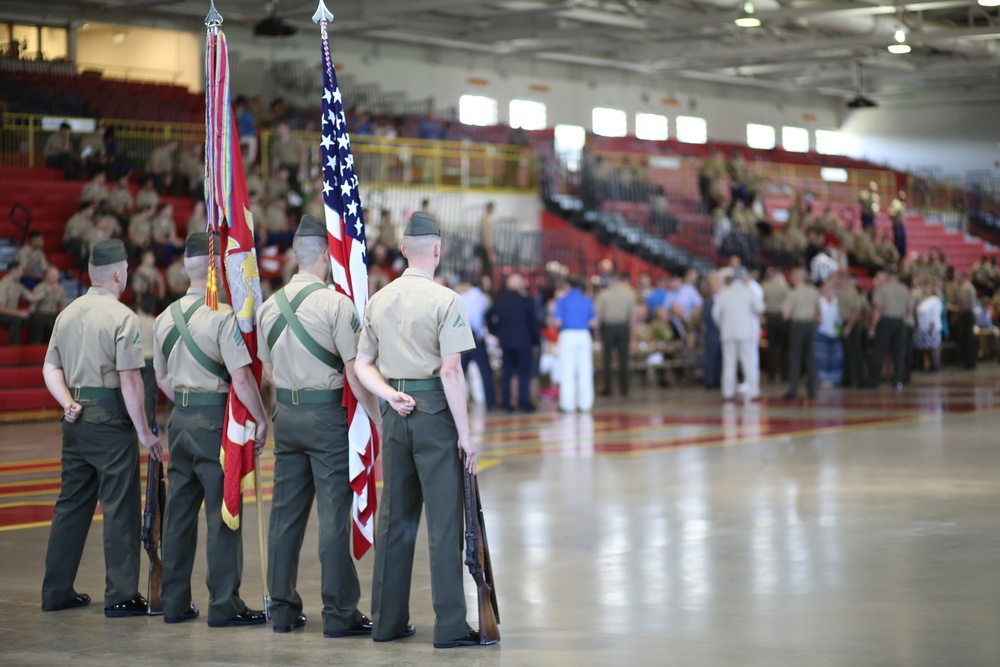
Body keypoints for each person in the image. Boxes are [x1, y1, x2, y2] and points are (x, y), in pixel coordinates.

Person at [353, 211, 486, 649]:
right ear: (437, 249)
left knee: (395, 519)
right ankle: (449, 626)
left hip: (396, 412)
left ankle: (386, 623)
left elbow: (361, 365)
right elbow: (451, 372)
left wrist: (387, 397)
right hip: (433, 414)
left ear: (404, 249)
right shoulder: (447, 300)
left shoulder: (378, 299)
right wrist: (465, 435)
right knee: (444, 522)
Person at [257, 216, 381, 637]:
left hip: (286, 418)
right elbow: (354, 372)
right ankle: (340, 613)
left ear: (295, 256)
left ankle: (284, 611)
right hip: (328, 417)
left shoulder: (268, 307)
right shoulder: (337, 305)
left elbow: (268, 372)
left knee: (284, 518)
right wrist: (376, 418)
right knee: (333, 517)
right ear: (328, 257)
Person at [40, 239, 162, 617]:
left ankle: (56, 591)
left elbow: (50, 368)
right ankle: (121, 595)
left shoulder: (67, 313)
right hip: (109, 418)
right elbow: (129, 381)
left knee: (71, 506)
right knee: (120, 508)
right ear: (118, 274)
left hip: (75, 417)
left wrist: (66, 402)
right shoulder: (122, 317)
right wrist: (145, 433)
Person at [152, 233, 268, 627]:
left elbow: (161, 379)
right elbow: (242, 380)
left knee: (179, 516)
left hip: (179, 422)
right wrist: (262, 418)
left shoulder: (164, 318)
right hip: (216, 424)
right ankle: (223, 605)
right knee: (223, 514)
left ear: (185, 267)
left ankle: (174, 603)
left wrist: (187, 394)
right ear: (216, 268)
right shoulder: (221, 318)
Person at [488, 273, 540, 411]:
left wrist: (496, 332)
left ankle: (506, 403)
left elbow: (488, 316)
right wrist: (537, 341)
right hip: (525, 342)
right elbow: (533, 323)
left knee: (507, 373)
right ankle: (524, 402)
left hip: (506, 342)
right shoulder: (527, 300)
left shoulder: (500, 300)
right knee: (524, 373)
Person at [712, 267, 764, 402]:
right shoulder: (749, 291)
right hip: (747, 334)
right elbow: (760, 308)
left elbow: (716, 314)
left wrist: (723, 327)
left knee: (729, 364)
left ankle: (728, 393)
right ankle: (754, 392)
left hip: (728, 334)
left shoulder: (724, 292)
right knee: (750, 363)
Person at [553, 276, 597, 413]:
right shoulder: (586, 300)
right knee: (585, 369)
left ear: (567, 285)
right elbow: (594, 322)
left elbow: (557, 322)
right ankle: (585, 404)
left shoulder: (563, 300)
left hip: (568, 334)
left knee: (567, 370)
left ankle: (568, 404)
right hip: (584, 335)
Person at [868, 270, 913, 389]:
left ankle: (874, 381)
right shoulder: (904, 289)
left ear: (888, 278)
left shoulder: (882, 289)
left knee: (880, 352)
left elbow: (878, 309)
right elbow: (909, 310)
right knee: (899, 353)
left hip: (886, 322)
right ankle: (897, 381)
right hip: (900, 323)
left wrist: (873, 326)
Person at [782, 268, 821, 401]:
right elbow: (819, 313)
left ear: (796, 278)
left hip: (797, 326)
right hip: (810, 326)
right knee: (811, 358)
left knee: (795, 358)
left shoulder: (793, 293)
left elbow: (785, 315)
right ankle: (812, 390)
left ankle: (793, 390)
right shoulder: (814, 291)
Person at [459, 278, 496, 410]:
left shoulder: (460, 296)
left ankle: (459, 403)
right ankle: (490, 403)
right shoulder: (482, 298)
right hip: (476, 338)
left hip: (462, 338)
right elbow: (479, 319)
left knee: (460, 374)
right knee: (485, 372)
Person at [595, 274, 635, 397]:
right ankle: (624, 388)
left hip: (608, 328)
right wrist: (632, 333)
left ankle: (607, 388)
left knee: (607, 359)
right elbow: (632, 317)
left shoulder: (603, 295)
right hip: (623, 328)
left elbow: (599, 315)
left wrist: (597, 331)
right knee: (624, 359)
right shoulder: (629, 295)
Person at [0, 262, 40, 344]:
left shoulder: (17, 284)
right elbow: (1, 308)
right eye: (21, 271)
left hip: (12, 312)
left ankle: (34, 345)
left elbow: (31, 297)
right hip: (3, 313)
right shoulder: (3, 285)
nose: (22, 274)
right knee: (16, 320)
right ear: (14, 271)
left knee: (36, 318)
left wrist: (46, 292)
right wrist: (19, 313)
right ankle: (14, 347)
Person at [761, 268, 789, 383]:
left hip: (771, 318)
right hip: (782, 318)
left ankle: (771, 374)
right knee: (783, 348)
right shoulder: (785, 287)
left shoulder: (766, 287)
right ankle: (784, 374)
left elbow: (762, 303)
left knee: (771, 348)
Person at [29, 266, 68, 344]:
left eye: (57, 276)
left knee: (61, 321)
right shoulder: (40, 287)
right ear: (47, 276)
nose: (56, 278)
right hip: (41, 313)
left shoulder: (60, 288)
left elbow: (64, 304)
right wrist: (47, 292)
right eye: (53, 276)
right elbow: (33, 302)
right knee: (45, 322)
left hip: (52, 314)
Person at [816, 278, 843, 387]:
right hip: (822, 330)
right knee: (822, 357)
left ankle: (834, 379)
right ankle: (823, 379)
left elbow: (838, 317)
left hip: (833, 332)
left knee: (835, 357)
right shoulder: (819, 300)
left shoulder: (835, 300)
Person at [476, 202, 496, 283]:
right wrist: (490, 253)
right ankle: (487, 290)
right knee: (487, 273)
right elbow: (486, 238)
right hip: (486, 248)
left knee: (486, 271)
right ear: (490, 209)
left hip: (487, 248)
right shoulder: (486, 221)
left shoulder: (486, 220)